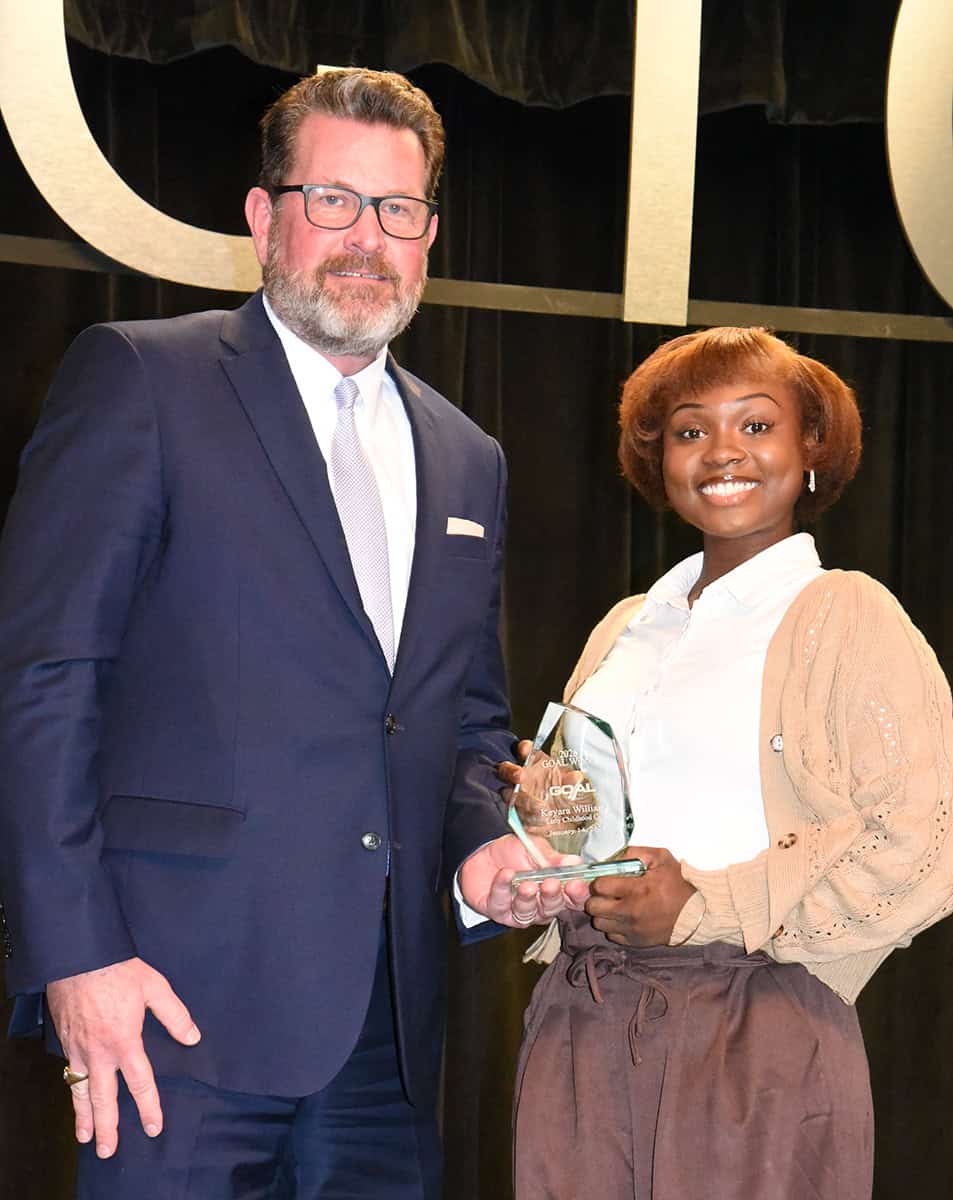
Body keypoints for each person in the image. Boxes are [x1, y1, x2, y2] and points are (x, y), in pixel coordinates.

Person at [0, 66, 566, 1200]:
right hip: (169, 1008)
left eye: (397, 211)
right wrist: (77, 956)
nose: (367, 238)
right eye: (333, 201)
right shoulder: (142, 380)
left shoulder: (468, 457)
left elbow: (461, 721)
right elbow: (47, 680)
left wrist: (481, 845)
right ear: (264, 219)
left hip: (387, 1032)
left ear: (429, 236)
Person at [493, 327, 953, 1199]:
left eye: (756, 425)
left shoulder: (844, 613)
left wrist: (706, 909)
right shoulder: (627, 623)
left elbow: (924, 851)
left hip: (756, 1030)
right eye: (690, 430)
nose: (722, 453)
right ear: (657, 459)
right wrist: (540, 847)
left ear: (809, 448)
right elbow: (585, 826)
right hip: (582, 1019)